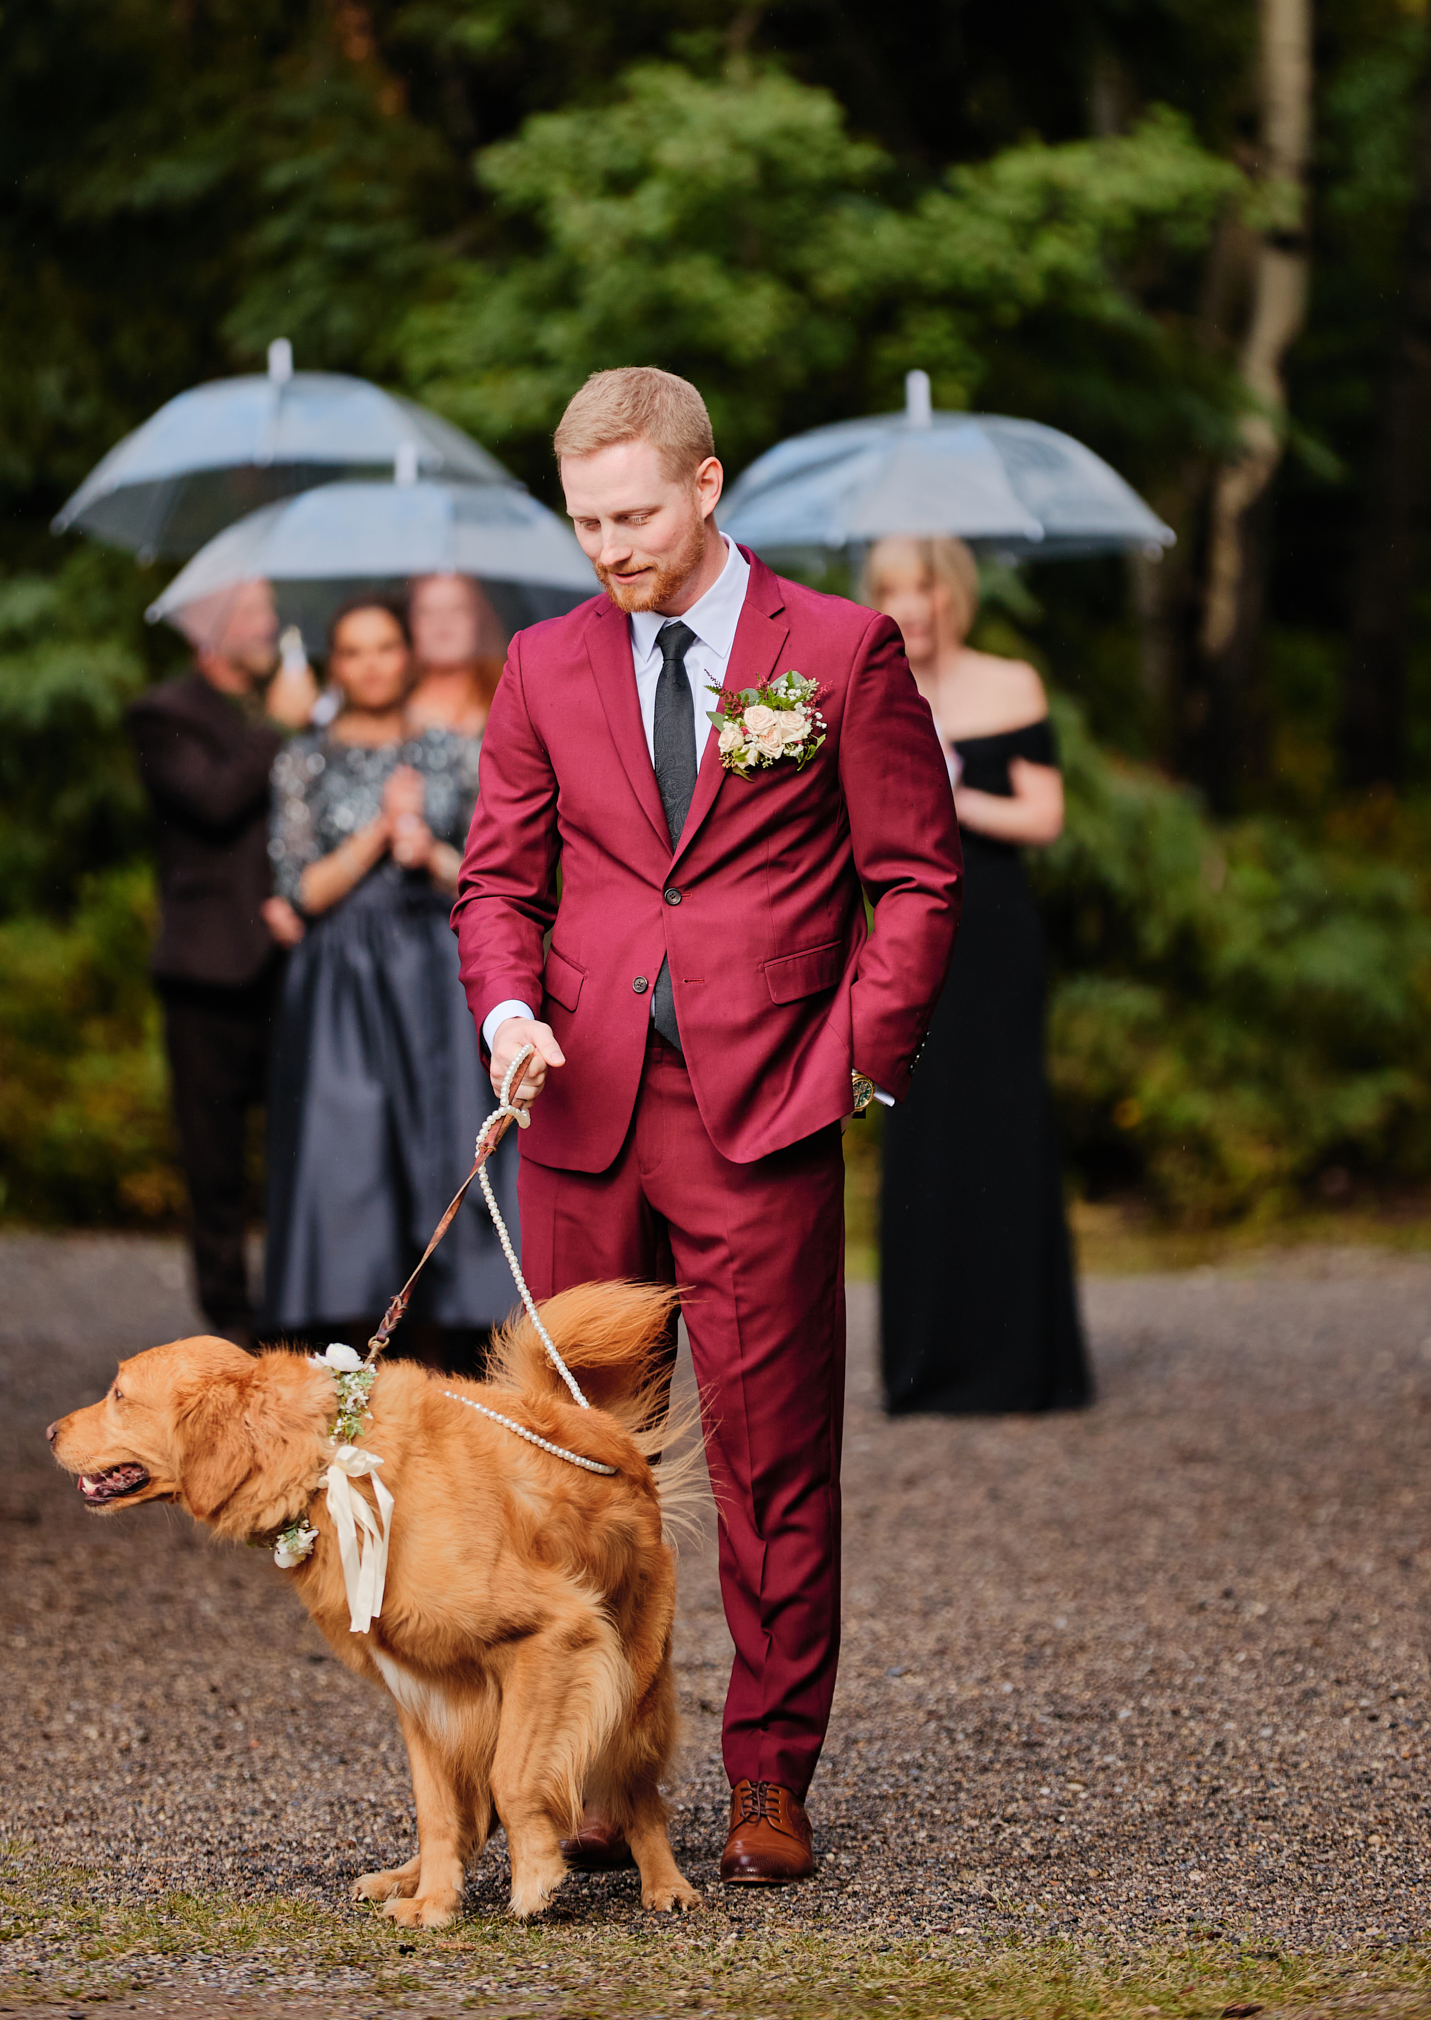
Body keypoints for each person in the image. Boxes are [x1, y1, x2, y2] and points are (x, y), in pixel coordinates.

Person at [454, 368, 961, 1887]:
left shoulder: (841, 650)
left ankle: (766, 1776)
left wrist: (853, 1064)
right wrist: (507, 1014)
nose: (607, 547)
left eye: (631, 515)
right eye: (583, 521)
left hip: (765, 1114)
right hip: (581, 1110)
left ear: (705, 486)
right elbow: (497, 885)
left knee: (770, 1458)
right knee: (569, 1467)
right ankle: (603, 1778)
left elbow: (919, 878)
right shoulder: (540, 664)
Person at [261, 586, 519, 1371]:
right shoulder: (304, 756)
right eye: (355, 651)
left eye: (386, 647)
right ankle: (351, 1348)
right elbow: (298, 889)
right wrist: (379, 830)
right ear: (337, 665)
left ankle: (466, 1338)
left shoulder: (450, 747)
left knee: (446, 1144)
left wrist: (425, 849)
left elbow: (490, 875)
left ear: (406, 656)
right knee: (349, 1155)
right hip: (343, 984)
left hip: (434, 978)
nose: (373, 664)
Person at [867, 535, 1092, 1416]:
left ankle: (1023, 1363)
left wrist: (953, 792)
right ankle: (926, 1365)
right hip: (903, 935)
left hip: (995, 933)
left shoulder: (1011, 683)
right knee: (921, 1130)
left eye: (921, 586)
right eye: (891, 589)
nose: (909, 605)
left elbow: (1044, 815)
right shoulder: (871, 685)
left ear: (952, 593)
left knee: (1004, 1124)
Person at [125, 577, 317, 1345]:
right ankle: (228, 1323)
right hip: (205, 972)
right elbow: (208, 801)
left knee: (298, 1149)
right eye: (259, 612)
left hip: (288, 964)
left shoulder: (288, 706)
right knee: (213, 1161)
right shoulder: (162, 714)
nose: (274, 624)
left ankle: (294, 1309)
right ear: (213, 629)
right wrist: (277, 728)